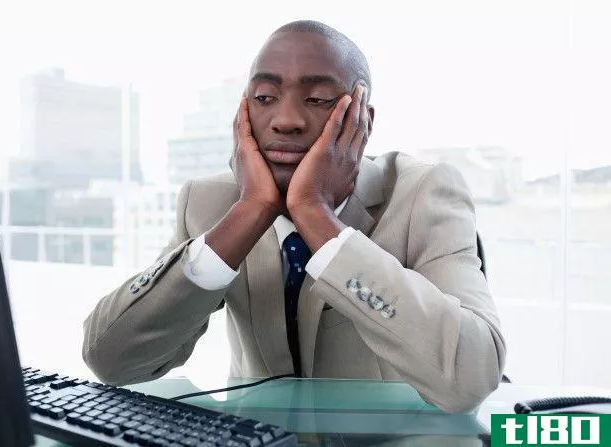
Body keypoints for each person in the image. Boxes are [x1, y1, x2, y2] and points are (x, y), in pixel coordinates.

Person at [82, 20, 506, 413]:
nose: (286, 121)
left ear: (363, 120)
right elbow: (112, 361)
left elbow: (472, 377)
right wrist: (249, 212)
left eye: (319, 100)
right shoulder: (209, 202)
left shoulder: (424, 193)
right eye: (265, 98)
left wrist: (318, 218)